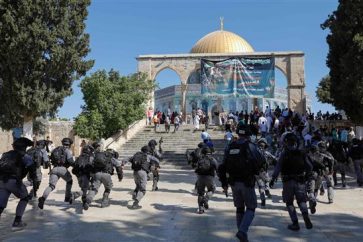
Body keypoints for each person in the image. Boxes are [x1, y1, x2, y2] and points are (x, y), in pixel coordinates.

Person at [218, 123, 265, 242]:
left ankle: (241, 234)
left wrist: (224, 183)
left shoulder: (230, 146)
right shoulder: (251, 146)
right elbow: (261, 161)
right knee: (251, 208)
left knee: (239, 208)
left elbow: (222, 166)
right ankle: (242, 231)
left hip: (233, 183)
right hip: (247, 182)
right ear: (249, 134)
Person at [269, 133, 313, 231]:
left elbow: (278, 167)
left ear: (286, 142)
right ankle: (305, 216)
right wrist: (308, 175)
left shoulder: (284, 153)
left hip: (288, 182)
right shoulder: (302, 153)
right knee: (302, 201)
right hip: (300, 181)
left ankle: (295, 223)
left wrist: (273, 179)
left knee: (289, 203)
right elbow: (310, 166)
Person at [0, 137, 36, 229]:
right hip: (14, 181)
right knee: (25, 197)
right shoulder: (25, 156)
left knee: (1, 204)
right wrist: (34, 179)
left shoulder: (5, 155)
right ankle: (17, 221)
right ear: (24, 147)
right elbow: (32, 170)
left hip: (2, 181)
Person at [38, 138, 75, 210]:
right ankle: (67, 197)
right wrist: (76, 167)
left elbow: (50, 158)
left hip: (54, 169)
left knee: (51, 186)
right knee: (69, 181)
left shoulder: (56, 149)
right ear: (69, 144)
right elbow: (71, 161)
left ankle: (42, 198)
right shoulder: (67, 151)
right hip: (63, 169)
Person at [194, 147, 218, 214]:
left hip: (200, 177)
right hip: (209, 177)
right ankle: (206, 199)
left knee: (200, 193)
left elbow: (196, 168)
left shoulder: (200, 159)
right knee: (212, 189)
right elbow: (217, 168)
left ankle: (201, 208)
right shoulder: (212, 159)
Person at [71, 145, 95, 210]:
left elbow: (74, 168)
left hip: (79, 176)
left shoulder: (79, 157)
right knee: (85, 189)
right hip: (86, 175)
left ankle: (84, 202)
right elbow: (92, 166)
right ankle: (75, 195)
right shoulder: (90, 157)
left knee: (84, 188)